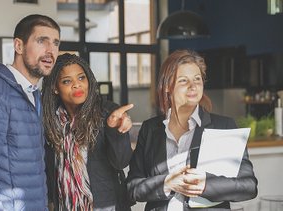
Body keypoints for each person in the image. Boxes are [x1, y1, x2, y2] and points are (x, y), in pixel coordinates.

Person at [126, 49, 258, 211]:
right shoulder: (150, 129)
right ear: (167, 86)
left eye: (197, 79)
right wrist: (166, 183)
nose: (193, 86)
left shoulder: (224, 126)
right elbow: (132, 188)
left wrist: (206, 185)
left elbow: (249, 187)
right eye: (183, 80)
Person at [0, 14, 60, 210]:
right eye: (42, 41)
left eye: (56, 43)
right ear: (18, 46)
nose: (51, 51)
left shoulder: (33, 94)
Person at [42, 53, 134, 211]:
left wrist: (116, 131)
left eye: (81, 78)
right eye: (67, 81)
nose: (77, 85)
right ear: (55, 88)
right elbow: (49, 168)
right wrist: (50, 200)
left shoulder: (107, 112)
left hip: (105, 206)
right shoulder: (50, 120)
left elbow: (121, 162)